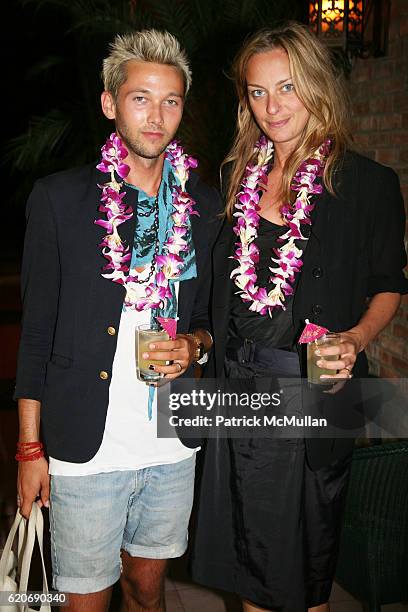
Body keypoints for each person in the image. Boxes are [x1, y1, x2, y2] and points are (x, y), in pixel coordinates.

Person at [191, 22, 408, 612]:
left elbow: (390, 285)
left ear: (315, 85)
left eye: (287, 87)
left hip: (315, 394)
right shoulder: (237, 179)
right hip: (238, 391)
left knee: (307, 576)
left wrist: (357, 336)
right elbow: (222, 295)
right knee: (248, 568)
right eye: (257, 92)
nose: (272, 106)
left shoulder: (368, 183)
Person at [14, 29, 218, 612]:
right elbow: (36, 335)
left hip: (171, 442)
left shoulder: (202, 206)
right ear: (110, 104)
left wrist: (194, 345)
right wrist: (30, 450)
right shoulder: (59, 200)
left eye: (171, 100)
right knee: (85, 601)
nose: (157, 116)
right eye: (140, 98)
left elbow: (206, 319)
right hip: (85, 443)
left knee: (148, 591)